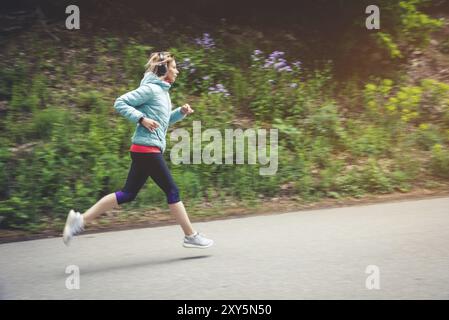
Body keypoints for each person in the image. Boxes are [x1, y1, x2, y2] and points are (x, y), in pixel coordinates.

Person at [63, 51, 214, 249]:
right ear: (163, 69)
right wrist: (141, 118)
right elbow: (120, 102)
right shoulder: (150, 89)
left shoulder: (163, 92)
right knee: (172, 190)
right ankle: (190, 235)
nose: (177, 71)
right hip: (147, 149)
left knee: (128, 194)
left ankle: (79, 220)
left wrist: (180, 113)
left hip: (146, 149)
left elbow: (162, 121)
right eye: (174, 67)